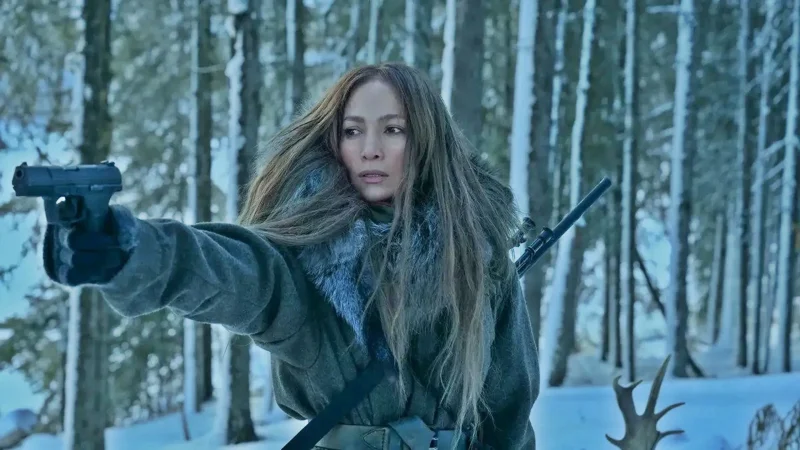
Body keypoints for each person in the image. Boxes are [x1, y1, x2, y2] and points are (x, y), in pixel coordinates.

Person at [42, 62, 539, 449]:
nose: (370, 149)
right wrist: (134, 249)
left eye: (393, 129)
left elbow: (510, 411)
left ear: (425, 139)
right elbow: (234, 272)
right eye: (352, 131)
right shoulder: (308, 255)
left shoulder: (478, 256)